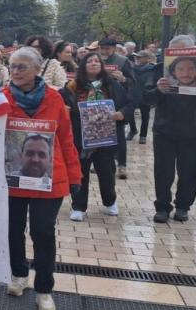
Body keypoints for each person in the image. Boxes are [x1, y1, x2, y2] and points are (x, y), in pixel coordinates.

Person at [2, 47, 81, 310]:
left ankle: (44, 289)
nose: (16, 71)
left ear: (38, 69)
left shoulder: (54, 99)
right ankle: (19, 273)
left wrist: (75, 176)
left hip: (48, 180)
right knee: (13, 229)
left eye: (22, 66)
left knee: (43, 232)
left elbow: (67, 140)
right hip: (12, 178)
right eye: (12, 66)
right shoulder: (0, 98)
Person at [60, 52, 131, 222]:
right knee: (80, 174)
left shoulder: (111, 85)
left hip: (106, 138)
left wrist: (121, 114)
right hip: (80, 138)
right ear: (83, 65)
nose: (93, 63)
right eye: (90, 61)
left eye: (97, 61)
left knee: (106, 172)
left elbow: (129, 103)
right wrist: (65, 109)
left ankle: (110, 201)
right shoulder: (72, 86)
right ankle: (78, 206)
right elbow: (61, 102)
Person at [145, 35, 196, 223]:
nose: (185, 72)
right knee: (163, 171)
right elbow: (145, 98)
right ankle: (162, 207)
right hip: (165, 130)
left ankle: (183, 206)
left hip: (194, 132)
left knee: (189, 171)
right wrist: (158, 90)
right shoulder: (159, 70)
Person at [98, 38, 135, 180]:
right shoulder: (97, 60)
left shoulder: (122, 61)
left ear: (114, 48)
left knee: (119, 136)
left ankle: (122, 165)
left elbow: (133, 82)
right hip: (99, 102)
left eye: (107, 48)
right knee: (100, 134)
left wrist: (123, 79)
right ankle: (102, 163)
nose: (104, 51)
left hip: (117, 103)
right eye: (102, 48)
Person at [129, 50, 156, 144]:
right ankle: (133, 130)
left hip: (145, 96)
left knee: (145, 117)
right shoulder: (131, 67)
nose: (137, 58)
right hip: (133, 94)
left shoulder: (152, 68)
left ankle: (143, 135)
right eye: (136, 57)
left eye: (140, 57)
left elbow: (152, 82)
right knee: (129, 113)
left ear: (147, 58)